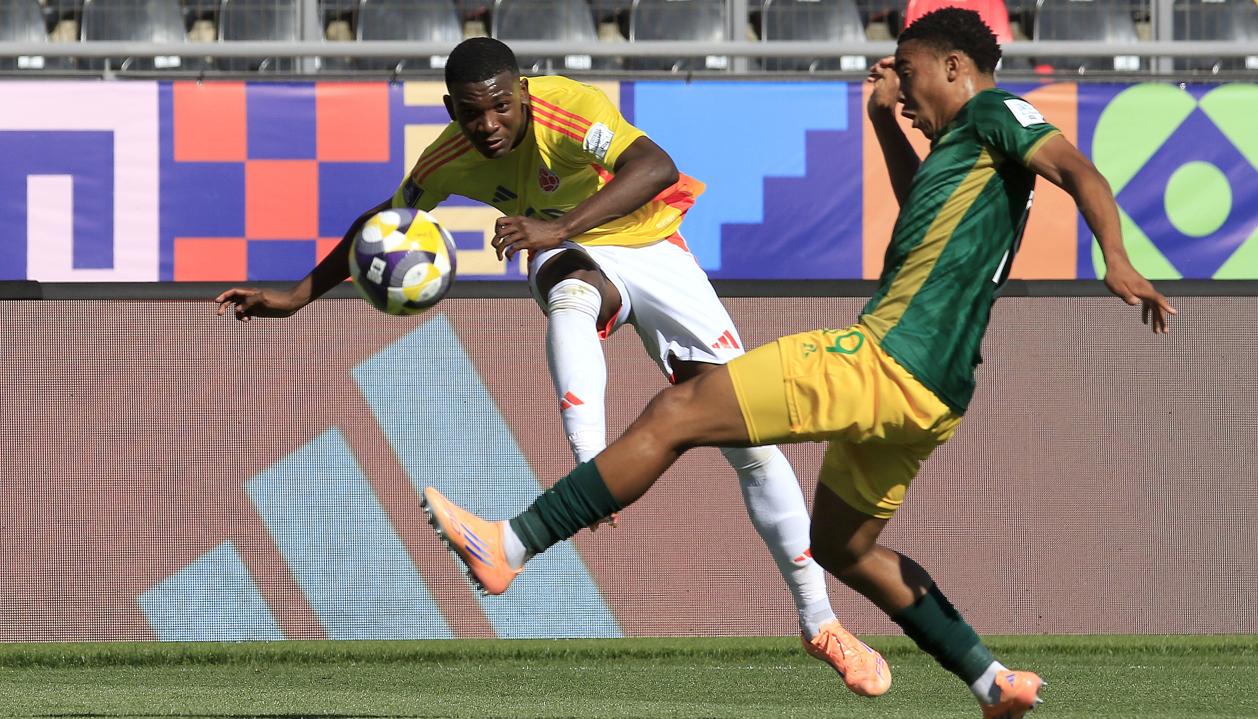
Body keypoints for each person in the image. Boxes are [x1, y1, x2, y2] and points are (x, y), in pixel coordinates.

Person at [419, 10, 1176, 719]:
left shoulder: (995, 113)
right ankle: (990, 681)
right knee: (845, 547)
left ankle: (510, 544)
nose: (901, 90)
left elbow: (1079, 169)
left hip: (880, 358)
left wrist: (1115, 257)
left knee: (678, 412)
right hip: (934, 397)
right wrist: (883, 121)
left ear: (954, 66)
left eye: (906, 74)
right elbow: (923, 208)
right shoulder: (966, 154)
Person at [214, 37, 887, 696]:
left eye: (501, 107)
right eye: (473, 113)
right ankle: (593, 465)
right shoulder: (447, 158)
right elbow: (387, 223)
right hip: (568, 255)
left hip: (651, 247)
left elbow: (655, 165)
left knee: (756, 448)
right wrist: (298, 295)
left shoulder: (568, 110)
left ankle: (820, 622)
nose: (489, 125)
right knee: (569, 292)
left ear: (522, 93)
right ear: (452, 109)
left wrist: (556, 227)